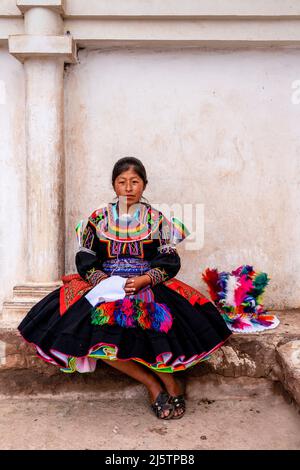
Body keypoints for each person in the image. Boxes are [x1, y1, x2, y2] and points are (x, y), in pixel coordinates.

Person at [18, 156, 232, 419]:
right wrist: (102, 282)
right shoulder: (98, 219)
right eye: (122, 182)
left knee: (157, 335)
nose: (128, 187)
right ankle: (153, 384)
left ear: (144, 185)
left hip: (148, 283)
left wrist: (145, 280)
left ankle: (171, 383)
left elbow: (168, 260)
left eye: (135, 181)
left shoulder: (157, 220)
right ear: (113, 185)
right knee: (97, 340)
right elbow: (86, 259)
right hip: (106, 286)